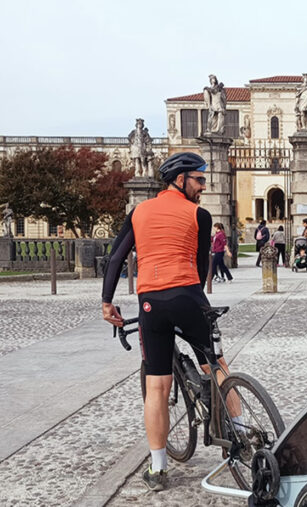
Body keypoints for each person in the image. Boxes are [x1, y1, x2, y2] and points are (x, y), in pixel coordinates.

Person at [100, 152, 238, 492]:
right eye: (199, 180)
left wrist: (107, 302)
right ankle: (244, 427)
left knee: (157, 386)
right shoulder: (200, 215)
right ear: (180, 180)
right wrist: (191, 293)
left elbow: (117, 258)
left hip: (151, 303)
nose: (204, 186)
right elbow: (200, 262)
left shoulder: (138, 212)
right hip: (188, 297)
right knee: (216, 364)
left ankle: (158, 467)